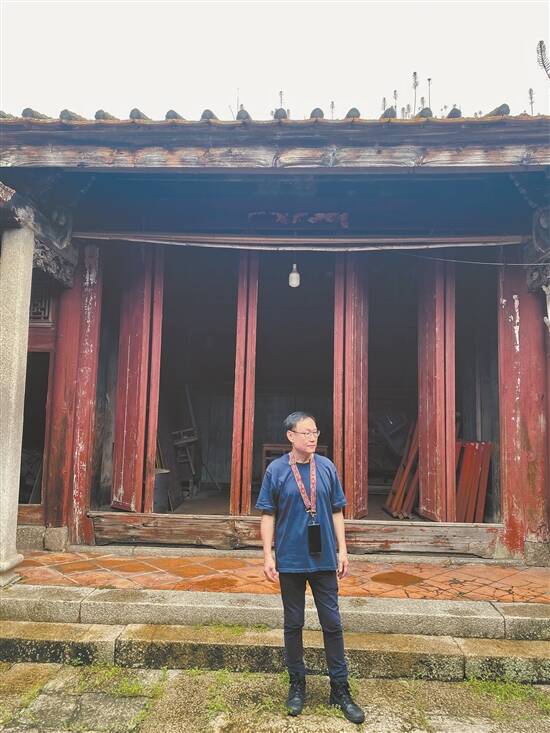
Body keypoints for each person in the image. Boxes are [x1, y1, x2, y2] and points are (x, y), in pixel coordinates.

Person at [256, 411, 365, 725]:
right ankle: (296, 685)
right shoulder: (276, 470)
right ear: (290, 436)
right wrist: (268, 556)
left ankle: (340, 689)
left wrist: (343, 550)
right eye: (306, 432)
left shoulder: (327, 467)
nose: (313, 437)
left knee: (333, 624)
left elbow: (337, 511)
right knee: (293, 623)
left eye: (315, 432)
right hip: (290, 560)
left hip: (324, 559)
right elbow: (267, 515)